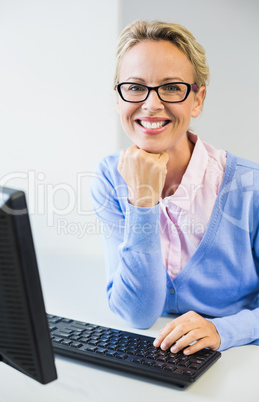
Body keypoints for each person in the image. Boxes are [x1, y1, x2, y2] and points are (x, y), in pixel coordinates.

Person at [91, 20, 259, 355]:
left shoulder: (250, 187)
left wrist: (222, 330)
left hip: (238, 362)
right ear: (118, 98)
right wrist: (143, 200)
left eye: (171, 88)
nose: (151, 104)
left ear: (197, 100)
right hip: (150, 356)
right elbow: (137, 314)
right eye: (135, 87)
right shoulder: (110, 176)